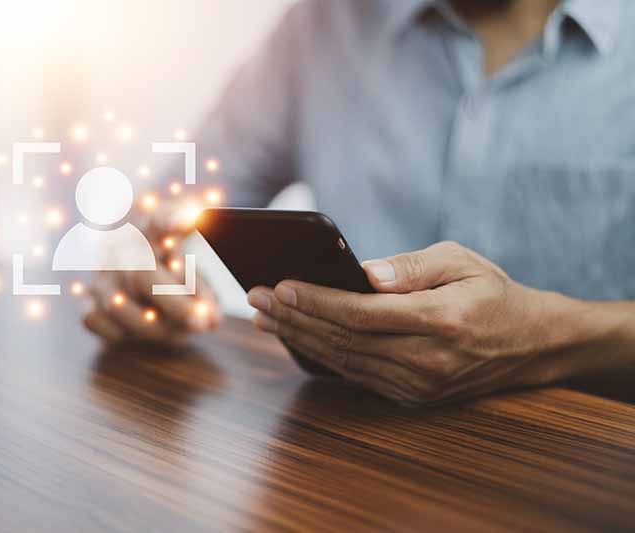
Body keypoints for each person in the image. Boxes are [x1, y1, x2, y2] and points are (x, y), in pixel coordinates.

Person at [83, 0, 635, 406]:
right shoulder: (321, 24)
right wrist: (134, 259)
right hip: (340, 449)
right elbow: (172, 205)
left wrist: (553, 340)